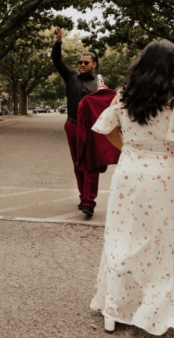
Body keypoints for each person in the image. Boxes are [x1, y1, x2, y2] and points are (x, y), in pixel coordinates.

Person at [90, 40, 174, 335]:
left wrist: (130, 149)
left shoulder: (125, 93)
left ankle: (114, 306)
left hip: (130, 172)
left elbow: (108, 127)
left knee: (123, 237)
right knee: (166, 237)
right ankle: (167, 297)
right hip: (167, 174)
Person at [50, 27, 113, 217]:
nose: (82, 64)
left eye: (86, 62)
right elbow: (57, 61)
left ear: (95, 64)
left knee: (91, 163)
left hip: (94, 127)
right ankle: (83, 196)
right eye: (80, 62)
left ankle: (89, 202)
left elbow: (113, 104)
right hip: (73, 126)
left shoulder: (104, 81)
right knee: (79, 163)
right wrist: (58, 42)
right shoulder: (71, 77)